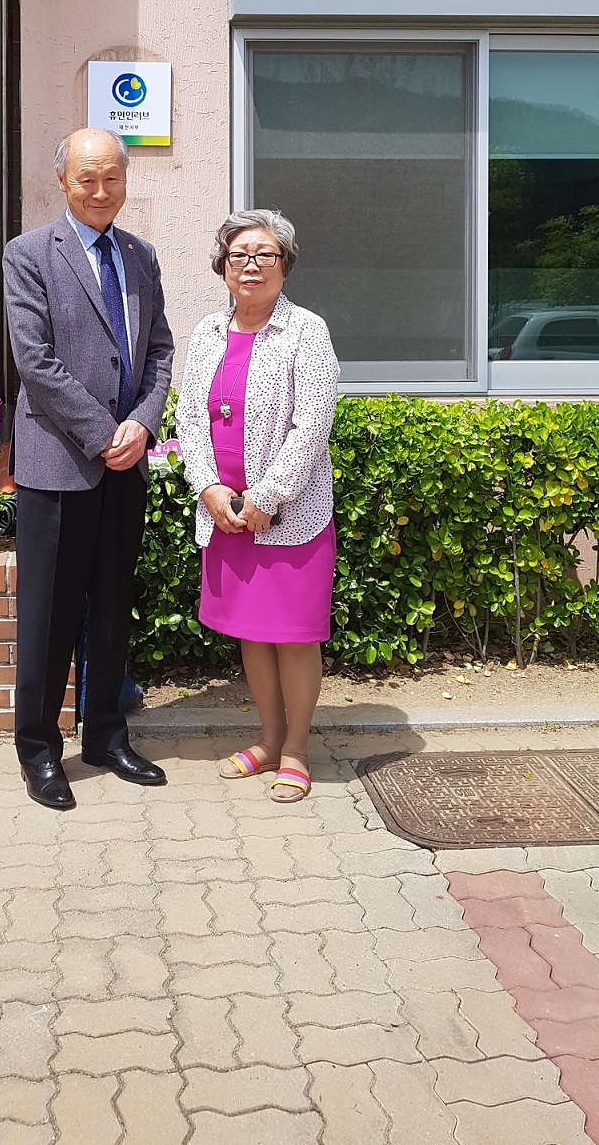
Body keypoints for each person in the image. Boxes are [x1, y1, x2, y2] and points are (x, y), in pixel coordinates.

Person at [2, 128, 174, 809]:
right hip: (58, 462)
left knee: (110, 607)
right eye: (87, 179)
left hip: (125, 462)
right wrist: (105, 433)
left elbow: (159, 350)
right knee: (48, 615)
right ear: (63, 182)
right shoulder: (28, 254)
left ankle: (104, 734)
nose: (100, 191)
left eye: (111, 178)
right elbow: (34, 360)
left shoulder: (140, 255)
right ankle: (39, 749)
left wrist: (145, 423)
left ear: (125, 179)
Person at [175, 210, 339, 803]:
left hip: (290, 518)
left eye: (265, 254)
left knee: (293, 636)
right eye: (239, 255)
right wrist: (207, 488)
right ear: (222, 266)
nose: (251, 265)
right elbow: (189, 417)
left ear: (284, 266)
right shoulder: (206, 333)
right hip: (226, 516)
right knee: (251, 632)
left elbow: (311, 423)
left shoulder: (307, 331)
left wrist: (267, 498)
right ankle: (267, 740)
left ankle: (296, 750)